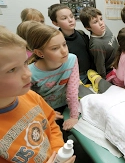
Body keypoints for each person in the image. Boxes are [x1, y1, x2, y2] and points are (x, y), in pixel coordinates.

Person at [0, 26, 75, 163]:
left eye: (25, 63)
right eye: (12, 70)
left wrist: (58, 152)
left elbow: (51, 124)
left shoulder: (31, 96)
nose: (28, 73)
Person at [26, 23, 80, 133]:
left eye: (64, 44)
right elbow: (27, 100)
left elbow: (72, 91)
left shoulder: (72, 59)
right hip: (43, 110)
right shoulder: (29, 72)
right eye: (55, 48)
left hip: (66, 105)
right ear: (40, 53)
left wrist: (74, 116)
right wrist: (45, 113)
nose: (64, 51)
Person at [48, 3, 95, 84]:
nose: (70, 20)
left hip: (90, 74)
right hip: (72, 79)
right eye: (64, 18)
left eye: (71, 16)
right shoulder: (56, 42)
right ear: (55, 23)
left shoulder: (82, 34)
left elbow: (90, 55)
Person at [79, 6, 119, 84]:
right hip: (112, 73)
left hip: (120, 63)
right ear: (88, 27)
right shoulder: (96, 45)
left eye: (101, 19)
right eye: (95, 22)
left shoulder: (105, 28)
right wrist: (104, 84)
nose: (101, 23)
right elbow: (101, 68)